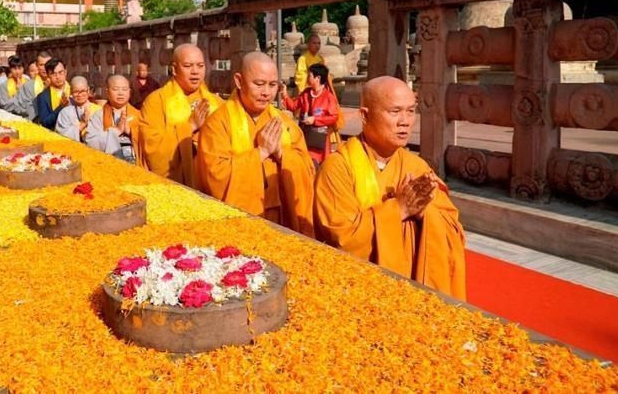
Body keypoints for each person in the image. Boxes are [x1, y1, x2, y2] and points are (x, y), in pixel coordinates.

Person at [313, 76, 466, 299]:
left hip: (413, 291)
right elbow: (342, 241)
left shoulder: (417, 166)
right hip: (361, 296)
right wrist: (400, 209)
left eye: (410, 111)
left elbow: (454, 233)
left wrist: (424, 212)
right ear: (365, 115)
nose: (404, 121)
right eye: (394, 112)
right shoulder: (337, 169)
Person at [197, 52, 316, 237]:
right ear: (238, 81)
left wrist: (280, 153)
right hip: (241, 224)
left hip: (282, 218)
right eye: (259, 84)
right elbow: (215, 176)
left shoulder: (284, 123)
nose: (266, 93)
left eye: (273, 85)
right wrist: (260, 153)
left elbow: (307, 170)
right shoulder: (218, 124)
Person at [139, 44, 223, 188]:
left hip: (211, 185)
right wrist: (190, 126)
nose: (195, 71)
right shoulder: (156, 101)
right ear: (174, 69)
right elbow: (153, 152)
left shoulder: (216, 102)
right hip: (174, 188)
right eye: (188, 66)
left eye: (200, 66)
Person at [281, 63, 339, 165]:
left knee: (318, 165)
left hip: (319, 138)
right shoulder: (306, 93)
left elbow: (334, 117)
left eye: (309, 76)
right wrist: (285, 94)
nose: (307, 78)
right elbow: (293, 106)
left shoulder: (328, 97)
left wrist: (315, 120)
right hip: (304, 135)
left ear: (318, 78)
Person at [86, 75, 142, 164]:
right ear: (107, 92)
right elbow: (91, 142)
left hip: (136, 164)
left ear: (129, 92)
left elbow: (150, 141)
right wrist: (116, 131)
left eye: (124, 89)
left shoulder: (139, 115)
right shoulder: (98, 115)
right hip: (108, 164)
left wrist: (131, 132)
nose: (120, 93)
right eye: (116, 89)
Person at [55, 76, 100, 141]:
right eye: (76, 91)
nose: (79, 95)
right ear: (71, 91)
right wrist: (83, 124)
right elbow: (61, 137)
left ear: (88, 90)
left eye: (83, 91)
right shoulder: (65, 112)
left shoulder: (98, 110)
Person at [9, 51, 51, 120]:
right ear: (37, 66)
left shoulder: (60, 83)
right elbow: (19, 108)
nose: (45, 67)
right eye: (41, 65)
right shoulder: (28, 86)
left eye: (47, 64)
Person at [34, 58, 71, 130]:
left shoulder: (74, 91)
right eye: (54, 74)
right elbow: (44, 122)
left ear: (65, 72)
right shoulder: (43, 97)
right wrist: (61, 107)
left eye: (60, 72)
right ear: (48, 75)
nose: (58, 77)